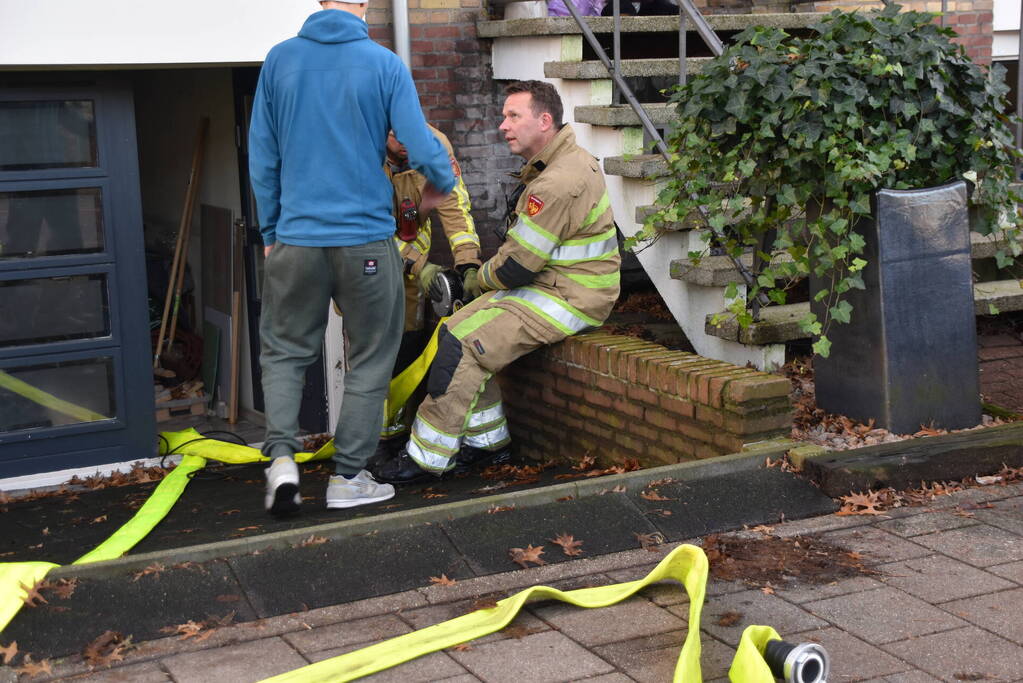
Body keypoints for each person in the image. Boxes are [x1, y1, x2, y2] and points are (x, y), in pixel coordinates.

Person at [248, 0, 456, 514]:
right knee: (369, 356)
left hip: (296, 238)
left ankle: (280, 461)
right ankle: (348, 478)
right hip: (365, 239)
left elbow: (263, 154)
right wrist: (443, 183)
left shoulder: (279, 60)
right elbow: (419, 140)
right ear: (363, 4)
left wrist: (273, 230)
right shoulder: (383, 63)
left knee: (284, 351)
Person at [373, 80, 621, 484]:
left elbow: (515, 266)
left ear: (544, 120)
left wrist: (473, 273)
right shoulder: (555, 166)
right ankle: (489, 444)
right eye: (504, 116)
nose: (502, 126)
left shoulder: (557, 182)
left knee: (461, 341)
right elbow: (368, 231)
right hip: (556, 284)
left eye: (513, 116)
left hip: (569, 295)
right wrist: (427, 268)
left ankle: (427, 459)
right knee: (453, 328)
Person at [379, 125, 481, 447]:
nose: (407, 141)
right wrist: (420, 266)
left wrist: (468, 263)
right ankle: (380, 444)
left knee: (409, 347)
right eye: (397, 133)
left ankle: (403, 437)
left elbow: (455, 206)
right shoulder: (355, 148)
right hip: (365, 270)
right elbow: (366, 230)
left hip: (411, 278)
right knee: (377, 356)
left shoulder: (434, 144)